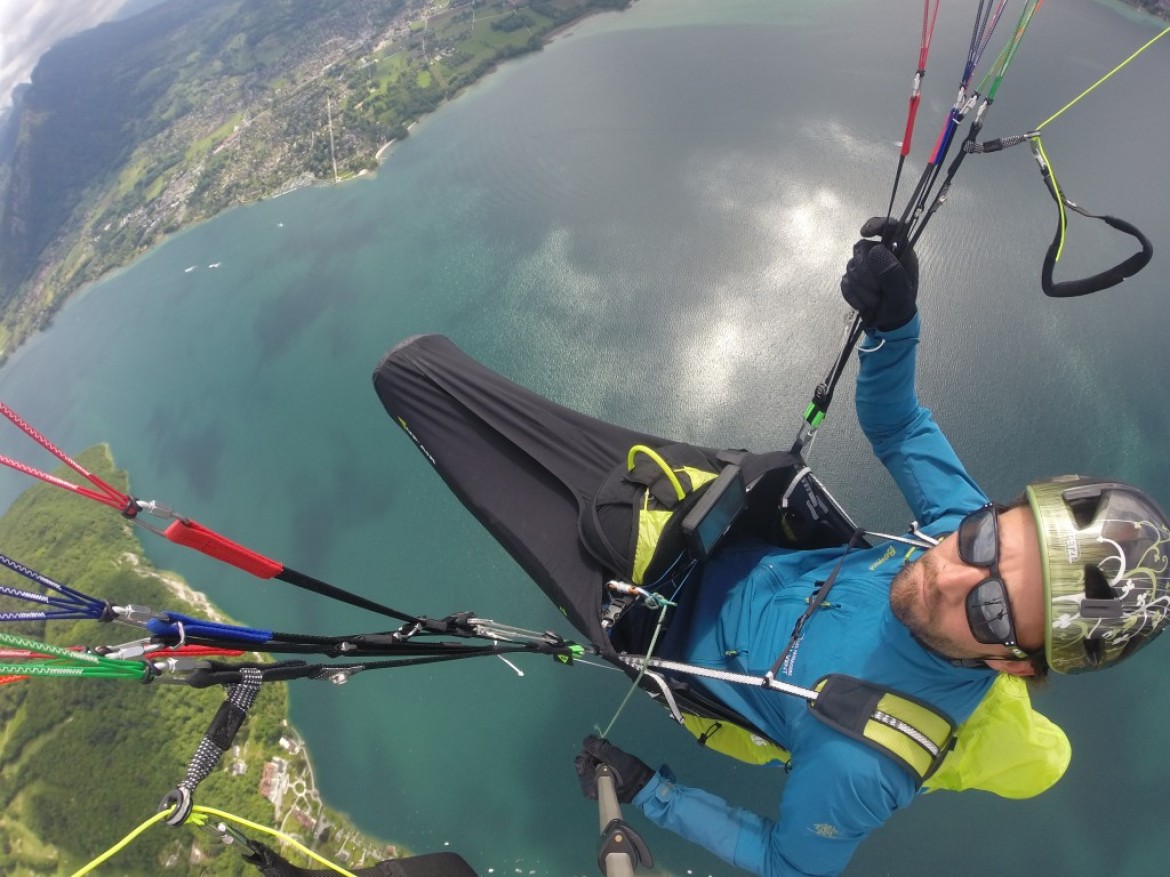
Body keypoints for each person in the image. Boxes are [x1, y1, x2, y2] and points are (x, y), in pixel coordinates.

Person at [574, 218, 1170, 877]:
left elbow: (792, 862)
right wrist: (895, 326)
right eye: (987, 536)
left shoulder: (862, 762)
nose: (952, 573)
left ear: (1014, 665)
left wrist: (652, 793)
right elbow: (899, 421)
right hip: (717, 544)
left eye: (993, 610)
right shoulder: (956, 526)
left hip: (661, 635)